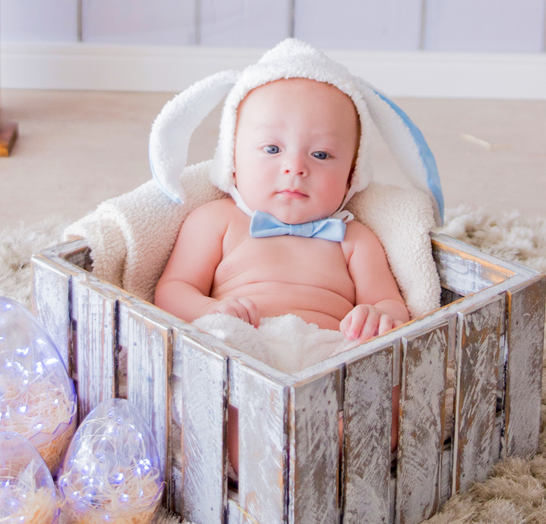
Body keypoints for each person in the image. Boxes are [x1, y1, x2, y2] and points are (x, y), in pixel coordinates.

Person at [154, 75, 411, 342]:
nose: (295, 167)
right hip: (241, 347)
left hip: (328, 352)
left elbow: (389, 303)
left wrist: (376, 315)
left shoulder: (355, 239)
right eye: (272, 148)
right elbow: (174, 289)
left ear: (351, 177)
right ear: (232, 161)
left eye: (321, 154)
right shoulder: (215, 220)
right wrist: (207, 310)